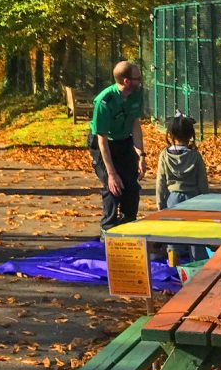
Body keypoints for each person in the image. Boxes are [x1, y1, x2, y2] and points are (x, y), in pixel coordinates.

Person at [89, 60, 146, 234]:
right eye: (137, 78)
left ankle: (129, 224)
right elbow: (102, 140)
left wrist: (141, 155)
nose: (141, 81)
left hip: (124, 140)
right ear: (126, 81)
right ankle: (108, 228)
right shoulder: (104, 102)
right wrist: (111, 173)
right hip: (104, 143)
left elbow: (135, 126)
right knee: (113, 187)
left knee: (131, 186)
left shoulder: (136, 94)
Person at [156, 114, 209, 262]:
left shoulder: (164, 156)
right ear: (191, 134)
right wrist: (207, 201)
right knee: (195, 234)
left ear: (171, 134)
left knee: (173, 233)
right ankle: (197, 264)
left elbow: (160, 181)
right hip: (194, 199)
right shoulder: (195, 156)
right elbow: (202, 182)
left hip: (172, 199)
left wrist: (160, 203)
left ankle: (173, 263)